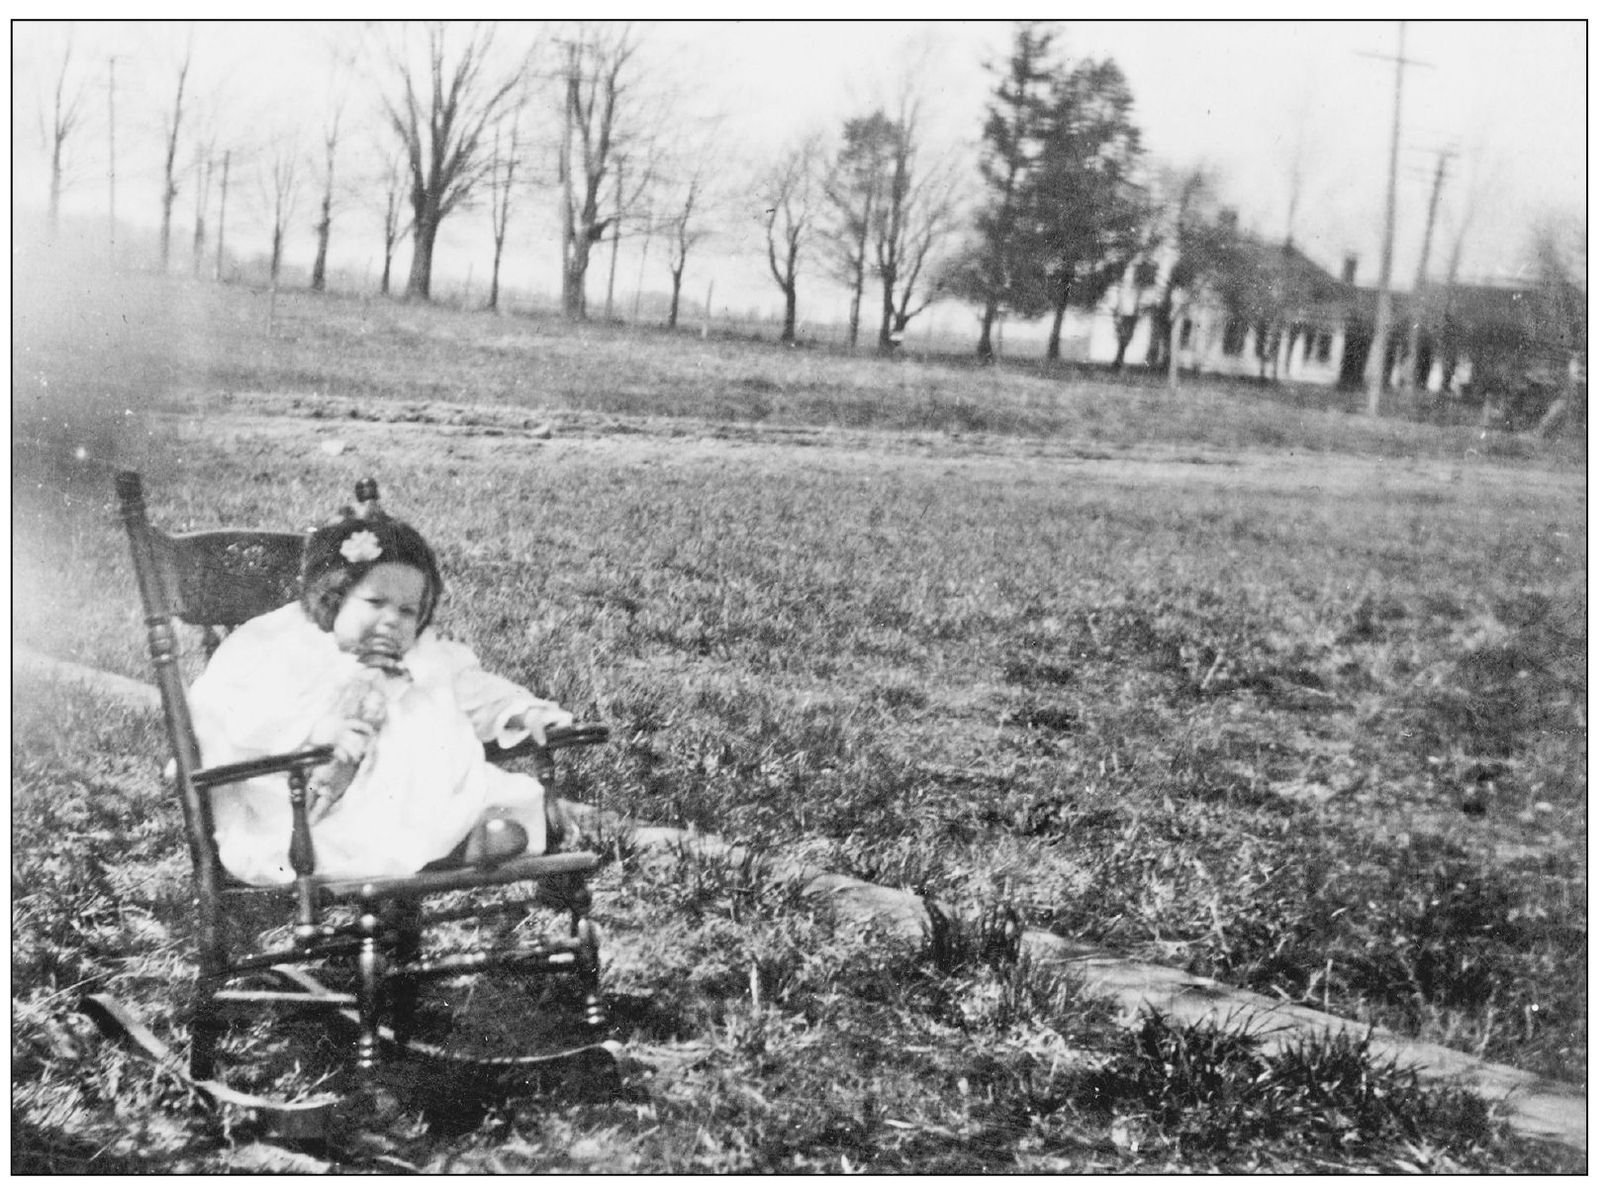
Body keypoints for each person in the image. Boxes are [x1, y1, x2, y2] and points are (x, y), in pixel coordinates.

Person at [188, 508, 575, 887]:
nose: (393, 619)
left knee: (480, 788)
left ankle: (463, 840)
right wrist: (317, 729)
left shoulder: (420, 653)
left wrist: (521, 711)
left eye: (408, 610)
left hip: (413, 795)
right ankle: (453, 847)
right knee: (351, 838)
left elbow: (470, 689)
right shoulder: (287, 647)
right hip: (313, 810)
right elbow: (236, 711)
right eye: (375, 603)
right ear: (334, 596)